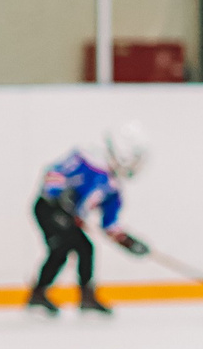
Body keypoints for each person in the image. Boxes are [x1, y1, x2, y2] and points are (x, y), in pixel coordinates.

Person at [29, 123, 150, 315]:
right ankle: (73, 296)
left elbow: (109, 224)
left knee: (74, 249)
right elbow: (53, 174)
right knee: (71, 246)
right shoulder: (86, 159)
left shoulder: (112, 187)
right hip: (48, 209)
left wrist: (127, 242)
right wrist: (61, 199)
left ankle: (42, 294)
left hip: (67, 216)